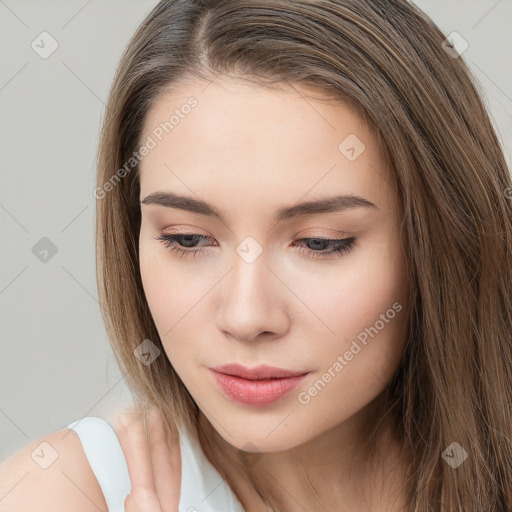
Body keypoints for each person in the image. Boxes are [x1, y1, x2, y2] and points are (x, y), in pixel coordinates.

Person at [1, 0, 512, 511]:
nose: (246, 317)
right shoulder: (60, 493)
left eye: (321, 242)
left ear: (439, 243)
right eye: (187, 238)